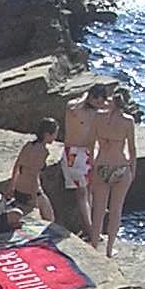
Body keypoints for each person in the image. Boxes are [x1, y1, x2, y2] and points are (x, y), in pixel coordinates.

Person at [88, 86, 137, 258]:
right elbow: (131, 149)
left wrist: (93, 164)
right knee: (116, 210)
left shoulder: (98, 117)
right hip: (120, 167)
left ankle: (94, 245)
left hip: (102, 165)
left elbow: (90, 144)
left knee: (98, 209)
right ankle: (109, 249)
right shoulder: (128, 121)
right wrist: (133, 170)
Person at [60, 83, 107, 233]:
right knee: (81, 193)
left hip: (88, 153)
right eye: (96, 101)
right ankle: (90, 229)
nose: (98, 105)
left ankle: (91, 226)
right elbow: (72, 107)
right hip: (73, 153)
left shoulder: (96, 113)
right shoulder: (75, 107)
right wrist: (85, 97)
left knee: (90, 191)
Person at [8, 118, 58, 223]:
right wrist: (34, 197)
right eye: (54, 134)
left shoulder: (28, 145)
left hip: (18, 189)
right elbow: (34, 175)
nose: (55, 137)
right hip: (30, 191)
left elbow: (17, 166)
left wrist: (12, 186)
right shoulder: (43, 151)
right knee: (50, 217)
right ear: (47, 134)